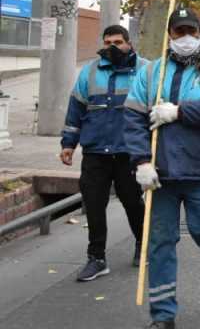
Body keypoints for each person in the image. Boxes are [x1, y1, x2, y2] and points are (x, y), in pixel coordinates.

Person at [124, 8, 200, 328]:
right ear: (170, 34)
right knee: (160, 243)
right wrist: (141, 161)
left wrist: (179, 112)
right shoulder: (150, 74)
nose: (185, 37)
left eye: (191, 31)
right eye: (179, 31)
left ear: (199, 33)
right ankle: (163, 315)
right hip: (162, 175)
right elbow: (132, 118)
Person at [60, 24, 146, 282]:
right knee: (94, 206)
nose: (112, 47)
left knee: (133, 201)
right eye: (108, 42)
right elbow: (76, 109)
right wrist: (68, 144)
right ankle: (96, 258)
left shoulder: (145, 70)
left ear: (129, 43)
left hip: (128, 152)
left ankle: (144, 245)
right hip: (96, 151)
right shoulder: (90, 72)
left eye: (118, 42)